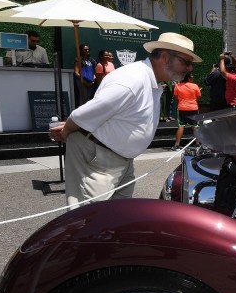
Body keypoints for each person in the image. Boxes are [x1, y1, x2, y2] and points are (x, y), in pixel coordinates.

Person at [48, 32, 201, 208]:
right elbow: (83, 113)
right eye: (186, 62)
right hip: (98, 158)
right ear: (165, 57)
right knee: (89, 219)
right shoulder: (132, 80)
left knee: (116, 217)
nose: (190, 68)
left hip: (117, 159)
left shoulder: (150, 80)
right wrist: (66, 131)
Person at [173, 72, 202, 149]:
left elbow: (175, 97)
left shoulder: (177, 86)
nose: (192, 78)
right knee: (195, 125)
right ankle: (198, 143)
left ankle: (176, 144)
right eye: (191, 77)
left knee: (181, 126)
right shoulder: (195, 86)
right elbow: (198, 97)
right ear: (188, 78)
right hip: (193, 108)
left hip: (182, 108)